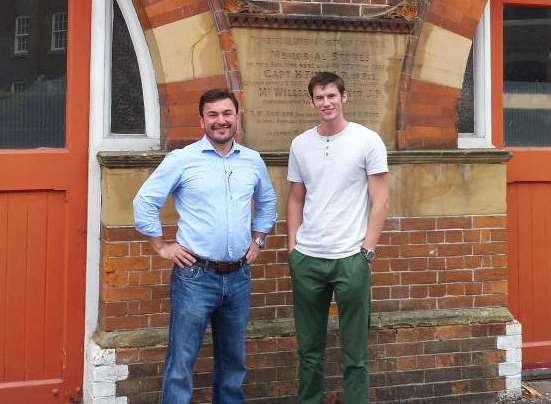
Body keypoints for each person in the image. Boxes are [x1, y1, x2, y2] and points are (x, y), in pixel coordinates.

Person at [133, 88, 277, 404]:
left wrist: (259, 239)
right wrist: (161, 246)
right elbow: (145, 201)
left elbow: (267, 203)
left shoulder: (252, 161)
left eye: (227, 114)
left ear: (237, 117)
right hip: (195, 278)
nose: (220, 121)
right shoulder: (182, 160)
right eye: (212, 115)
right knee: (182, 363)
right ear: (202, 120)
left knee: (233, 363)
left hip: (239, 278)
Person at [287, 72, 390, 404]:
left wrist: (368, 250)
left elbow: (381, 198)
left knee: (356, 352)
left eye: (332, 96)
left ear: (344, 97)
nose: (326, 103)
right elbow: (295, 198)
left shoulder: (367, 140)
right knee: (309, 350)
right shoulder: (300, 144)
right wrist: (293, 247)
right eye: (319, 98)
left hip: (351, 259)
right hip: (309, 259)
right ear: (312, 102)